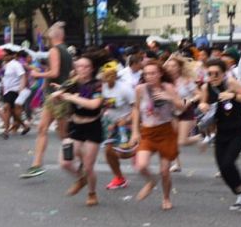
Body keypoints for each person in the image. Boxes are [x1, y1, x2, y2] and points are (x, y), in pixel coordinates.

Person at [198, 58, 241, 211]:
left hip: (238, 130)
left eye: (216, 73)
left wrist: (233, 96)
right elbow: (202, 103)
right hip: (221, 132)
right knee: (222, 168)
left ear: (223, 73)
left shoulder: (230, 83)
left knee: (228, 163)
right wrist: (202, 105)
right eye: (210, 73)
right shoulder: (206, 87)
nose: (213, 76)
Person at [128, 60, 183, 210]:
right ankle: (151, 181)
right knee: (141, 165)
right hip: (148, 131)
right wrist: (134, 131)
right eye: (146, 74)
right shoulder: (140, 89)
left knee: (165, 171)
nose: (149, 76)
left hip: (166, 131)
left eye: (153, 73)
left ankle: (166, 197)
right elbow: (136, 110)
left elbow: (181, 106)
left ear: (160, 74)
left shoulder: (168, 87)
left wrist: (169, 97)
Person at [21, 22, 73, 179]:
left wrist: (38, 75)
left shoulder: (55, 50)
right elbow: (67, 73)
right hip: (56, 94)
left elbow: (55, 72)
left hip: (56, 95)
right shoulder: (66, 51)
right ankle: (36, 165)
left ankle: (76, 159)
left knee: (63, 132)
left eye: (49, 33)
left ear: (53, 35)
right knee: (44, 129)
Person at [55, 55, 104, 206]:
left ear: (91, 69)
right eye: (79, 66)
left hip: (92, 127)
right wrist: (58, 95)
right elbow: (57, 99)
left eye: (86, 67)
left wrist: (71, 97)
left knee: (88, 166)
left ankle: (92, 192)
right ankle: (81, 179)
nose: (82, 69)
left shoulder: (97, 85)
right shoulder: (71, 83)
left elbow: (94, 105)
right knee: (65, 162)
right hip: (75, 126)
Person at [101, 62, 135, 190]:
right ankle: (119, 178)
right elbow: (104, 103)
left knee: (123, 154)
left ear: (115, 76)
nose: (107, 78)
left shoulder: (125, 89)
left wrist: (127, 120)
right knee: (108, 151)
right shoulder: (103, 87)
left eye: (110, 75)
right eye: (105, 76)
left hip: (126, 123)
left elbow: (136, 108)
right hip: (111, 123)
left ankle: (142, 149)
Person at [164, 56, 201, 173]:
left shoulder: (186, 80)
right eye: (169, 66)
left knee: (182, 141)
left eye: (174, 66)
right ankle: (177, 164)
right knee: (172, 139)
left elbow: (198, 94)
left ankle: (202, 137)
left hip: (186, 110)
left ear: (179, 68)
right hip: (171, 112)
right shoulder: (165, 82)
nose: (171, 68)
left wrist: (190, 101)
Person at [0, 50, 30, 139]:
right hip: (6, 90)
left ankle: (6, 131)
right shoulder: (5, 65)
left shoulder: (16, 64)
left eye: (6, 55)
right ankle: (24, 126)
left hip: (14, 90)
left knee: (7, 108)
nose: (4, 57)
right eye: (4, 55)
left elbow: (23, 75)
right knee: (12, 112)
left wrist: (21, 88)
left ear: (12, 55)